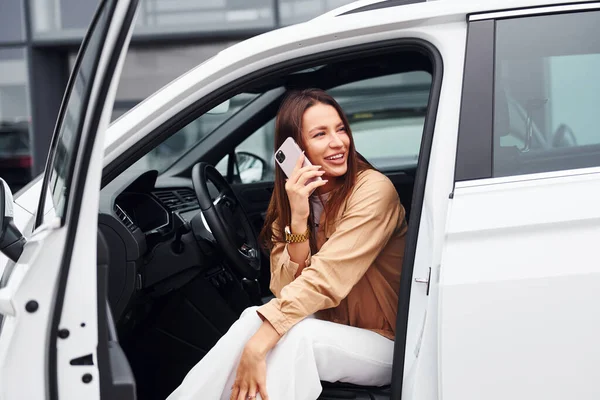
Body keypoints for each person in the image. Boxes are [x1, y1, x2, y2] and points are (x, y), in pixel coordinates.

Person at [167, 89, 407, 400]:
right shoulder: (294, 199)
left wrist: (258, 345)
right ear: (294, 148)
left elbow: (325, 280)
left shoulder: (373, 191)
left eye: (341, 129)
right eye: (320, 134)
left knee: (294, 337)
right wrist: (298, 217)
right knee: (251, 319)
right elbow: (284, 287)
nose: (338, 143)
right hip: (331, 327)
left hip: (390, 341)